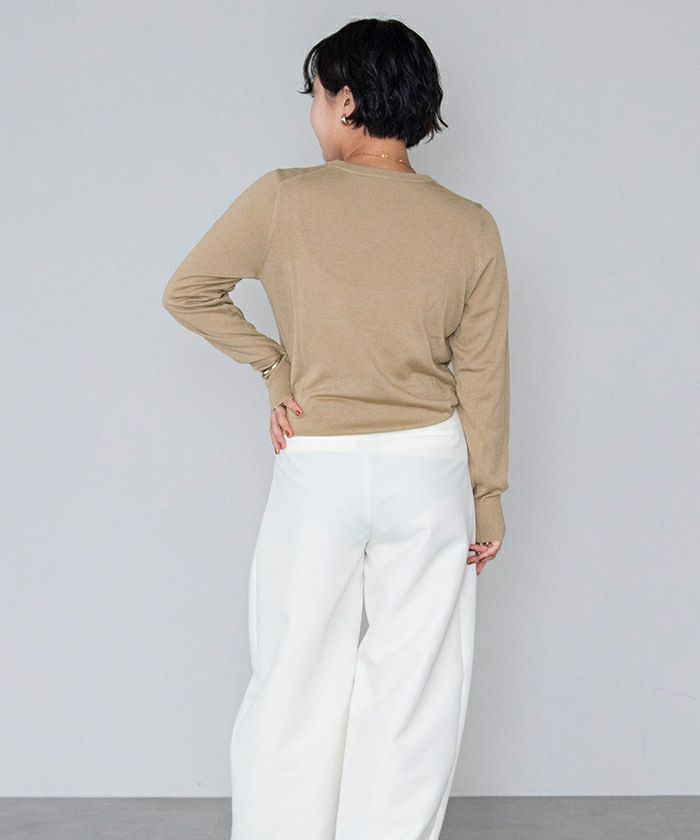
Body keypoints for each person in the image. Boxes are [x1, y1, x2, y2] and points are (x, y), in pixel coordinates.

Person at [161, 16, 510, 840]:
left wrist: (275, 367)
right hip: (428, 469)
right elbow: (484, 374)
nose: (313, 114)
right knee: (413, 688)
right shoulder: (470, 224)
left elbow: (189, 291)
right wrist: (488, 495)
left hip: (316, 462)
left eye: (315, 96)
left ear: (348, 101)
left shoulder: (284, 197)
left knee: (293, 676)